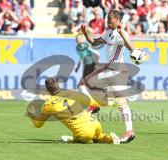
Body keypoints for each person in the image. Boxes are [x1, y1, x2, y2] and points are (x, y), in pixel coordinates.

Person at [80, 9, 137, 143]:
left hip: (116, 69)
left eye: (109, 19)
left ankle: (92, 106)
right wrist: (85, 33)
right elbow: (94, 42)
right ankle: (129, 131)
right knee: (121, 101)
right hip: (110, 69)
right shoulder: (109, 33)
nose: (106, 21)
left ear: (117, 19)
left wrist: (122, 31)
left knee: (83, 84)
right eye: (106, 18)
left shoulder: (121, 33)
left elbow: (131, 48)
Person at [25, 77, 120, 144]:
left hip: (84, 133)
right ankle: (109, 138)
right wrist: (111, 103)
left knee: (80, 138)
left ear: (47, 90)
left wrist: (32, 115)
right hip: (95, 123)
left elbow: (38, 125)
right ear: (58, 85)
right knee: (98, 137)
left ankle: (72, 139)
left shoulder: (49, 105)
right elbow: (91, 102)